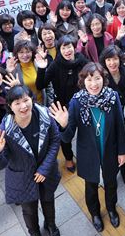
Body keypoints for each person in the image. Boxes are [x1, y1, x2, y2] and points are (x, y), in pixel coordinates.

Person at [51, 62, 125, 232]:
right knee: (91, 186)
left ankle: (111, 209)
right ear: (83, 81)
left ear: (103, 79)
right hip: (88, 153)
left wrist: (123, 151)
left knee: (111, 183)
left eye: (97, 78)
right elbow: (68, 135)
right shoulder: (77, 102)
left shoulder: (112, 97)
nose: (94, 84)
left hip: (110, 149)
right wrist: (63, 125)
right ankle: (95, 213)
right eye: (89, 79)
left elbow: (120, 126)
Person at [0, 85, 62, 236]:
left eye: (26, 100)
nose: (23, 106)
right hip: (22, 176)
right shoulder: (5, 130)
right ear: (9, 106)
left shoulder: (44, 115)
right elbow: (0, 165)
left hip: (46, 172)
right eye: (17, 103)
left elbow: (55, 141)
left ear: (32, 99)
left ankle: (50, 225)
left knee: (48, 201)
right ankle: (35, 234)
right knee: (29, 210)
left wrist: (44, 168)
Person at [36, 36, 88, 173]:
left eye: (69, 46)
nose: (67, 50)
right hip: (62, 106)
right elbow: (40, 84)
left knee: (87, 131)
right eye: (63, 48)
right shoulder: (55, 65)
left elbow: (93, 73)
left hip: (82, 102)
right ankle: (69, 158)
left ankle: (87, 155)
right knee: (65, 135)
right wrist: (41, 69)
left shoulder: (81, 60)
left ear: (74, 47)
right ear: (59, 50)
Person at [99, 45, 125, 186]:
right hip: (109, 118)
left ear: (120, 59)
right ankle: (113, 168)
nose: (112, 63)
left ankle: (124, 169)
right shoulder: (101, 77)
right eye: (108, 60)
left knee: (123, 142)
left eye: (114, 59)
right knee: (111, 144)